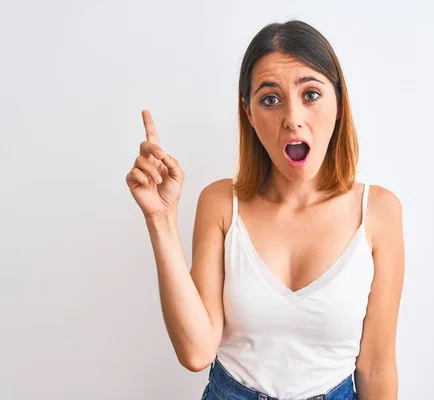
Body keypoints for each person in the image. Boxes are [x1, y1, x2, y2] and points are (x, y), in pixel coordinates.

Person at [126, 20, 405, 400]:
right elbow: (196, 352)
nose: (292, 118)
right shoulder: (221, 204)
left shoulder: (378, 213)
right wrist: (160, 220)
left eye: (311, 94)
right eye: (270, 99)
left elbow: (376, 366)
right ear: (249, 113)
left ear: (339, 103)